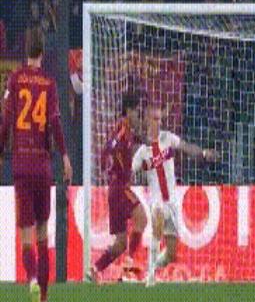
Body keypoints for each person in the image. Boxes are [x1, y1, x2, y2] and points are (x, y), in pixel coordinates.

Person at [0, 27, 73, 302]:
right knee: (44, 236)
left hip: (21, 166)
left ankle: (30, 278)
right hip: (43, 168)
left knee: (26, 236)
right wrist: (64, 156)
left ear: (25, 50)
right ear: (43, 51)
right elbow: (55, 123)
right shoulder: (50, 83)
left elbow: (6, 120)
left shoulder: (15, 80)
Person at [132, 105, 218, 287]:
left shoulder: (168, 138)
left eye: (160, 119)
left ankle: (150, 268)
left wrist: (203, 153)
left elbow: (186, 147)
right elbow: (133, 169)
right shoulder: (143, 150)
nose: (159, 123)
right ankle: (150, 278)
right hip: (156, 199)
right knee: (157, 228)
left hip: (172, 201)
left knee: (171, 255)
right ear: (147, 120)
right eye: (155, 119)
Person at [89, 93, 147, 282]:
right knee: (142, 218)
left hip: (115, 189)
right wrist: (118, 169)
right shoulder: (122, 129)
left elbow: (117, 146)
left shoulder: (126, 130)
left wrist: (143, 141)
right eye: (136, 111)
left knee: (121, 243)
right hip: (120, 186)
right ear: (128, 111)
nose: (138, 115)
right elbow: (110, 148)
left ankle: (95, 269)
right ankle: (128, 268)